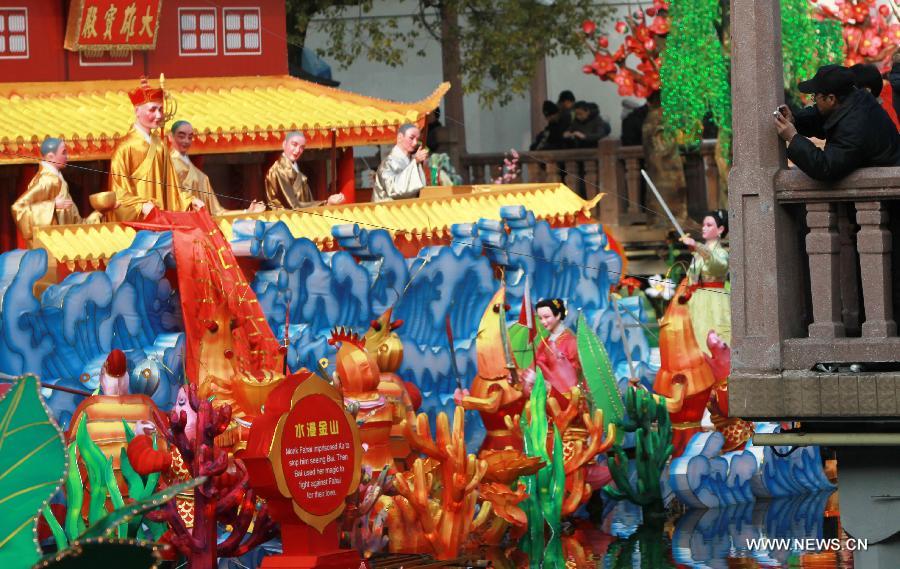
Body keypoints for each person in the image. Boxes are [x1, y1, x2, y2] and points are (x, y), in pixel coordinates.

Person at [774, 64, 900, 180]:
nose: (814, 102)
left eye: (815, 97)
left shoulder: (855, 126)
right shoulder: (855, 99)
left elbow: (826, 167)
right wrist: (794, 119)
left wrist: (793, 137)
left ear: (831, 99)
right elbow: (822, 117)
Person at [108, 77, 203, 221]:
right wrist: (140, 206)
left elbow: (172, 188)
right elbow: (119, 192)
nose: (158, 115)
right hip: (140, 218)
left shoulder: (160, 145)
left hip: (161, 216)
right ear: (137, 111)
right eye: (152, 109)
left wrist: (189, 201)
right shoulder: (124, 148)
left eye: (160, 109)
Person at [168, 120, 265, 216]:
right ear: (171, 137)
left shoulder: (193, 168)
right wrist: (190, 201)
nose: (186, 141)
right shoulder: (169, 164)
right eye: (181, 136)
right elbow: (171, 198)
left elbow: (217, 211)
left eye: (190, 137)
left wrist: (247, 212)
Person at [12, 137, 83, 246]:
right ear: (50, 157)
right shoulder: (47, 180)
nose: (67, 156)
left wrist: (99, 213)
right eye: (63, 153)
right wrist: (52, 206)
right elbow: (18, 208)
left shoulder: (56, 178)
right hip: (50, 246)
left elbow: (74, 218)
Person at [679, 210, 730, 356]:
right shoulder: (698, 255)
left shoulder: (722, 253)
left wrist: (697, 246)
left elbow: (716, 263)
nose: (704, 228)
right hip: (696, 300)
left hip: (716, 300)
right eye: (703, 225)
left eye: (709, 225)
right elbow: (692, 278)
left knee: (714, 337)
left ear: (720, 229)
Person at [265, 131, 345, 209]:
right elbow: (292, 205)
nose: (297, 151)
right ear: (284, 144)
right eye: (294, 145)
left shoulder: (294, 168)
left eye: (301, 147)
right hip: (286, 219)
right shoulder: (278, 170)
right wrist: (326, 203)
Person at [643, 91, 686, 223]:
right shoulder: (660, 118)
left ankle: (662, 220)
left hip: (657, 166)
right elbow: (664, 147)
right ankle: (670, 221)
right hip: (666, 168)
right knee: (667, 198)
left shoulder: (652, 118)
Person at [373, 123, 428, 202]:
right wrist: (415, 161)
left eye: (417, 139)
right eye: (411, 138)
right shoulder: (387, 163)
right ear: (400, 138)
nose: (415, 143)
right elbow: (395, 189)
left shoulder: (411, 160)